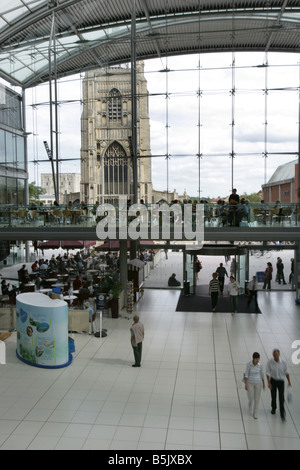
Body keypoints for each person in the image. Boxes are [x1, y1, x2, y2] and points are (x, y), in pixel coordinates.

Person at [266, 349, 291, 421]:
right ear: (273, 355)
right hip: (273, 381)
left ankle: (282, 414)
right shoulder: (270, 362)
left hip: (281, 381)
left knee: (281, 398)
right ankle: (273, 408)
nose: (275, 356)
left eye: (277, 355)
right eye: (274, 355)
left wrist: (289, 381)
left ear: (279, 355)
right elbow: (267, 372)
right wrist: (268, 382)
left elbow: (286, 372)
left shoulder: (283, 362)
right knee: (273, 396)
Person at [244, 352, 265, 419]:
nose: (257, 360)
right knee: (251, 396)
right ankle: (250, 402)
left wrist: (263, 383)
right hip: (250, 382)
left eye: (258, 359)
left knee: (257, 398)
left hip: (258, 382)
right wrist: (246, 384)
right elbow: (246, 374)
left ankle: (255, 412)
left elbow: (262, 374)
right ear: (253, 358)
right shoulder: (249, 364)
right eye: (256, 359)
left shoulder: (260, 365)